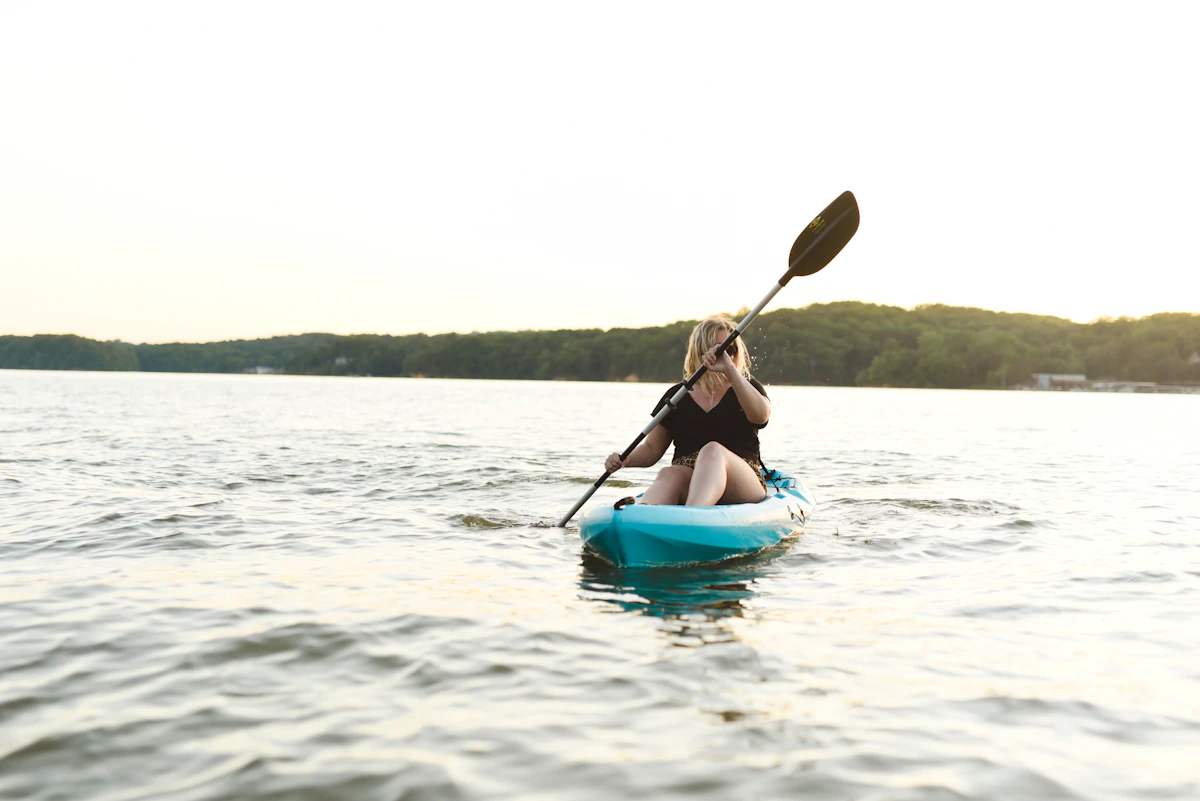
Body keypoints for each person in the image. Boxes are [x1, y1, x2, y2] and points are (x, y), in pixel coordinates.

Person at [604, 314, 770, 506]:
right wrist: (624, 459)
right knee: (669, 473)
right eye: (720, 349)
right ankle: (641, 518)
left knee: (712, 451)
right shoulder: (677, 395)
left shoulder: (746, 386)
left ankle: (693, 516)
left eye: (730, 349)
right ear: (702, 350)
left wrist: (730, 371)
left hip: (742, 480)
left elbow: (761, 416)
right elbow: (651, 449)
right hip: (689, 476)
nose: (727, 355)